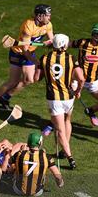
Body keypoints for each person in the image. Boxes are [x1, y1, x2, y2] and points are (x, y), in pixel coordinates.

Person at [0, 4, 54, 117]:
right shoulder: (28, 26)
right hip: (18, 53)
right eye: (47, 15)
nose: (49, 17)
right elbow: (25, 50)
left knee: (29, 80)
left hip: (30, 52)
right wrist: (37, 62)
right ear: (40, 16)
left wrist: (50, 43)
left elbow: (52, 40)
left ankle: (5, 98)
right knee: (13, 81)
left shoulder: (48, 25)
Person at [35, 33, 84, 169]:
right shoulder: (71, 58)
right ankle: (65, 149)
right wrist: (78, 91)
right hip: (69, 97)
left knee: (60, 130)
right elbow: (81, 79)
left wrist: (38, 65)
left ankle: (70, 157)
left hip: (54, 99)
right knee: (67, 121)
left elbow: (35, 78)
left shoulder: (45, 58)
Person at [8, 132, 64, 196]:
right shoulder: (46, 157)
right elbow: (58, 176)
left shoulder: (19, 154)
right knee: (43, 171)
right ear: (39, 143)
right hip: (37, 192)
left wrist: (21, 151)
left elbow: (10, 165)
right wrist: (60, 184)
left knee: (16, 166)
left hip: (18, 190)